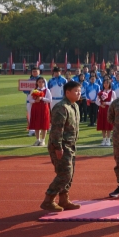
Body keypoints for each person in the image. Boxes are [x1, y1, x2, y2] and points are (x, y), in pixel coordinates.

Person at [40, 81, 82, 212]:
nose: (79, 93)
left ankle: (64, 199)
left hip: (70, 145)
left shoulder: (74, 106)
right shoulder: (61, 107)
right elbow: (57, 130)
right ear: (67, 92)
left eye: (79, 91)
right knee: (65, 174)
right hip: (61, 146)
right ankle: (49, 199)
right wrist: (58, 147)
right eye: (76, 91)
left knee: (70, 174)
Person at [28, 77, 52, 146]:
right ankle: (37, 140)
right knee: (36, 124)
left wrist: (42, 98)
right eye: (39, 82)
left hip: (44, 108)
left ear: (44, 83)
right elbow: (29, 99)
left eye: (42, 82)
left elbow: (50, 100)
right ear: (37, 83)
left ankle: (43, 140)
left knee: (44, 124)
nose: (41, 83)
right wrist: (35, 101)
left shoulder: (47, 90)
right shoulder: (34, 90)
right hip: (36, 108)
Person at [95, 77, 116, 146]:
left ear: (109, 84)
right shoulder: (101, 92)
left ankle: (108, 140)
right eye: (104, 83)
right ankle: (104, 139)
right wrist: (100, 105)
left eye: (107, 83)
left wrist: (106, 103)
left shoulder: (112, 92)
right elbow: (96, 101)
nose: (105, 84)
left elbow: (114, 102)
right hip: (102, 110)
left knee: (108, 125)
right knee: (102, 125)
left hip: (109, 110)